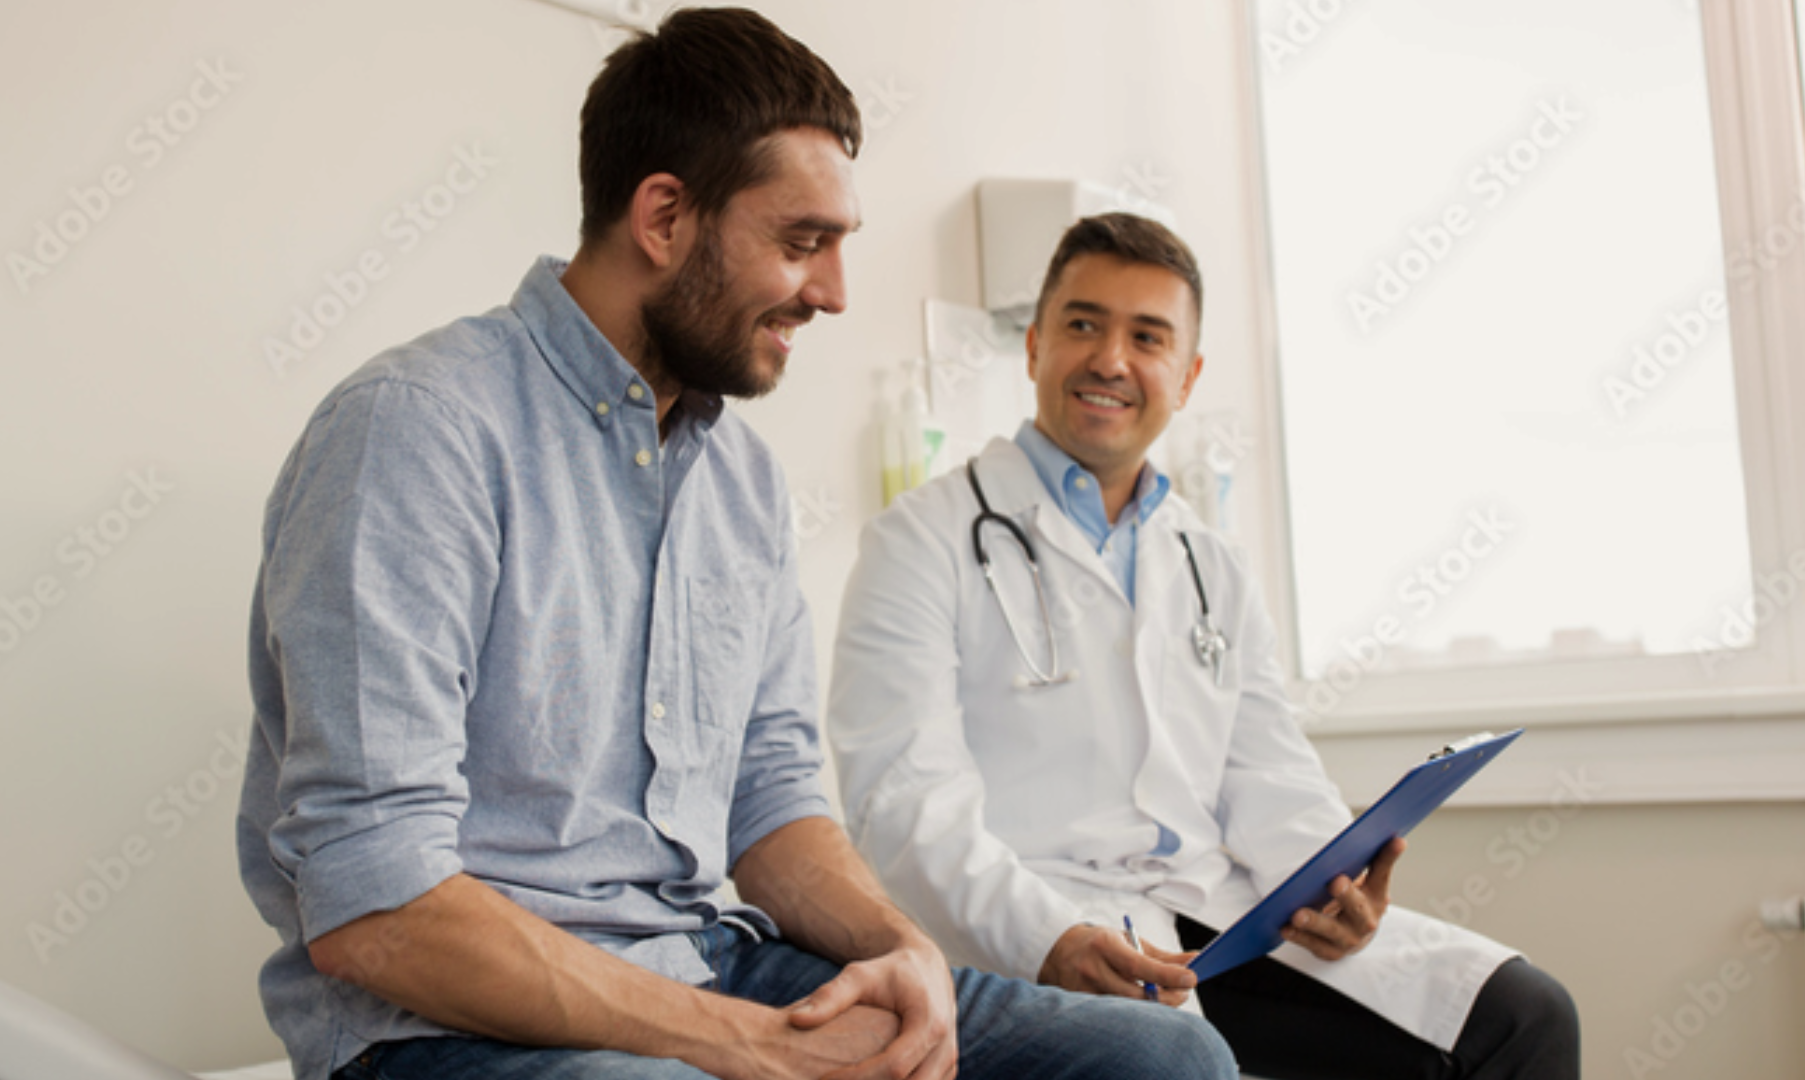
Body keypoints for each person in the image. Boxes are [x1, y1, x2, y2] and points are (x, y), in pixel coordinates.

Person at [236, 14, 1237, 1080]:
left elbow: (770, 801)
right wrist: (755, 1049)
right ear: (664, 216)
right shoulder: (417, 430)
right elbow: (371, 899)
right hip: (447, 1030)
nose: (835, 292)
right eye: (803, 243)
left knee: (1165, 1063)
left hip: (707, 960)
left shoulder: (742, 485)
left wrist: (902, 954)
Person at [828, 212, 1581, 1079]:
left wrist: (1335, 885)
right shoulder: (919, 541)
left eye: (1146, 337)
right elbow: (904, 808)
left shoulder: (1209, 559)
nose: (1111, 359)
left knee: (1525, 1018)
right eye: (1082, 324)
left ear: (1185, 378)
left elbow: (1268, 772)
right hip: (1033, 931)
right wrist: (1049, 937)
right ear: (1033, 346)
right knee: (1171, 1061)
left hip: (1215, 921)